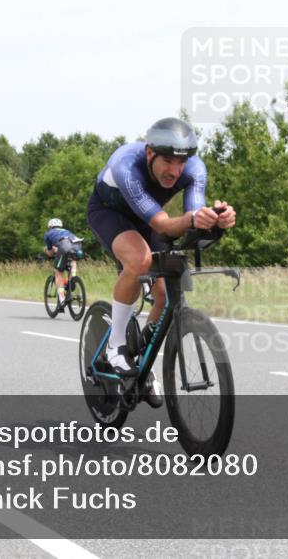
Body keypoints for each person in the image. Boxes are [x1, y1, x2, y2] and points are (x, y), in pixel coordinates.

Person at [86, 117, 237, 407]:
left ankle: (143, 362)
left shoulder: (194, 169)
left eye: (181, 162)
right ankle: (115, 345)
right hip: (109, 213)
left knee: (165, 295)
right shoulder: (126, 165)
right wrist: (193, 219)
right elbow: (165, 225)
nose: (175, 171)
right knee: (139, 260)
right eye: (168, 161)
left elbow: (192, 218)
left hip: (148, 220)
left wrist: (216, 219)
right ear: (149, 153)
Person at [44, 219, 83, 304]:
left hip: (64, 246)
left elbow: (50, 252)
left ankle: (62, 298)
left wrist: (46, 251)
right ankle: (73, 278)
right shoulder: (67, 231)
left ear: (50, 227)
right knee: (73, 259)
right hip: (77, 244)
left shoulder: (48, 234)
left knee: (58, 272)